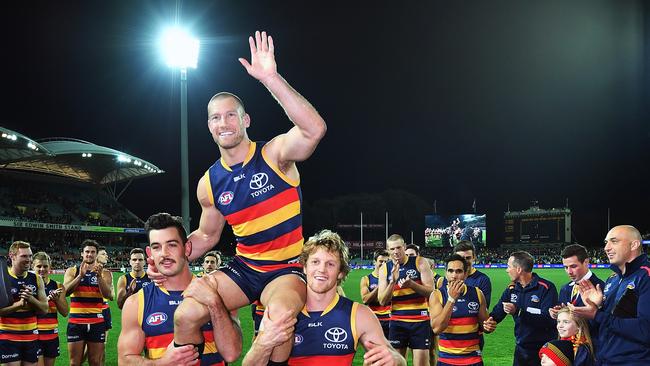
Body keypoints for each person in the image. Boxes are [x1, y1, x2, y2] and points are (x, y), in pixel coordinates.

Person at [148, 30, 326, 363]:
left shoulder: (274, 154)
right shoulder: (209, 184)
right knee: (185, 315)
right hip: (245, 268)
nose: (224, 122)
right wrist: (173, 254)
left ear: (245, 120)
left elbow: (314, 129)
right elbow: (207, 235)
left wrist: (271, 78)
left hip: (286, 269)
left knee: (278, 321)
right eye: (216, 117)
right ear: (210, 126)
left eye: (231, 114)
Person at [243, 229, 405, 366]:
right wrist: (263, 344)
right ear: (304, 267)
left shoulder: (359, 315)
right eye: (315, 262)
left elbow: (398, 358)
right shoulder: (283, 311)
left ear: (341, 272)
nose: (321, 269)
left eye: (330, 264)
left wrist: (393, 359)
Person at [118, 213, 242, 365]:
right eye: (157, 247)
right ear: (150, 253)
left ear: (187, 247)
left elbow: (232, 353)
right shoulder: (136, 303)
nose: (164, 253)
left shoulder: (217, 291)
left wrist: (214, 304)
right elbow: (125, 360)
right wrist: (161, 363)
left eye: (172, 244)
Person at [570, 225, 650, 364]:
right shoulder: (612, 279)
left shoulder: (646, 277)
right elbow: (605, 325)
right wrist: (596, 307)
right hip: (605, 360)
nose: (607, 248)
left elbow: (645, 331)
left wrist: (597, 314)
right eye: (606, 242)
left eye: (614, 241)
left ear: (634, 245)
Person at [486, 251, 558, 366]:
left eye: (509, 266)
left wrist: (519, 312)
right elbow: (497, 313)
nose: (507, 270)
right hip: (521, 350)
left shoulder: (546, 288)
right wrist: (489, 322)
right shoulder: (511, 289)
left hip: (544, 350)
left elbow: (549, 320)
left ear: (518, 269)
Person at [378, 234, 435, 366]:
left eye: (398, 247)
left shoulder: (419, 262)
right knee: (396, 363)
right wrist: (392, 282)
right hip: (398, 323)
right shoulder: (385, 269)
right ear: (388, 250)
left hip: (420, 322)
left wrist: (412, 285)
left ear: (404, 247)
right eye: (392, 249)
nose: (396, 252)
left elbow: (431, 291)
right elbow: (382, 301)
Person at [430, 254, 494, 366]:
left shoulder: (477, 294)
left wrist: (489, 326)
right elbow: (437, 329)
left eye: (459, 271)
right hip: (447, 359)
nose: (454, 275)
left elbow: (485, 326)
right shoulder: (437, 295)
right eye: (450, 271)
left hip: (473, 359)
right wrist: (451, 299)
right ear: (446, 273)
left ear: (465, 275)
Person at [63, 240, 113, 366]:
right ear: (82, 254)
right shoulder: (72, 271)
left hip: (96, 322)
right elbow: (65, 292)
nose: (89, 254)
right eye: (87, 252)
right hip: (76, 322)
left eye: (92, 252)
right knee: (75, 363)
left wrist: (99, 277)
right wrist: (80, 276)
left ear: (96, 255)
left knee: (95, 362)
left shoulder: (105, 273)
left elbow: (108, 295)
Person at [0, 241, 48, 366]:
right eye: (24, 256)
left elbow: (45, 309)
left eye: (30, 256)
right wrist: (19, 305)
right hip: (8, 337)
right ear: (12, 256)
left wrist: (31, 299)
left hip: (31, 337)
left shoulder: (36, 278)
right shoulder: (2, 278)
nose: (29, 260)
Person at [549, 244, 604, 353]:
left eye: (573, 266)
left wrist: (597, 308)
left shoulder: (601, 288)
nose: (569, 272)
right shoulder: (565, 289)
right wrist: (558, 314)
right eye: (566, 267)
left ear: (586, 262)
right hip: (569, 350)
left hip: (592, 351)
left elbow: (604, 324)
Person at [33, 251, 69, 366]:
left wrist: (56, 299)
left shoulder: (58, 286)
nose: (42, 269)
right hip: (34, 334)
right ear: (32, 267)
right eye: (39, 266)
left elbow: (65, 312)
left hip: (52, 335)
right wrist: (47, 299)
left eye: (45, 266)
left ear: (50, 268)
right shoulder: (29, 285)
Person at [360, 250, 391, 338]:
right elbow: (365, 300)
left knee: (393, 350)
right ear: (374, 262)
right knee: (375, 349)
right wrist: (380, 286)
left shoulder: (393, 279)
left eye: (386, 261)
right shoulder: (366, 279)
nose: (384, 264)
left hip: (391, 318)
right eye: (381, 261)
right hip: (374, 318)